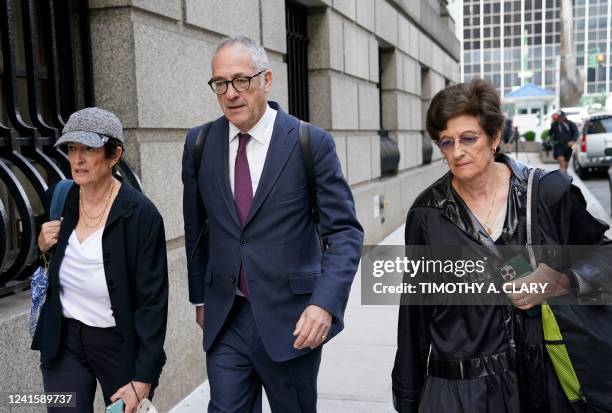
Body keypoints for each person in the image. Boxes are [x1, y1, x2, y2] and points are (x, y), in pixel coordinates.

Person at [391, 79, 611, 412]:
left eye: (468, 138)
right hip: (459, 393)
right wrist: (407, 399)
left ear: (494, 137)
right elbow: (414, 315)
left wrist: (563, 281)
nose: (457, 152)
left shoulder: (548, 194)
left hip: (541, 386)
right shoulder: (427, 214)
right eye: (446, 142)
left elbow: (605, 258)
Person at [181, 36, 363, 412]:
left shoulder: (309, 142)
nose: (230, 93)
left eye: (240, 80)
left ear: (266, 79)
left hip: (292, 320)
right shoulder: (199, 144)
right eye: (220, 83)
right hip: (227, 316)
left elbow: (344, 232)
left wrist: (324, 305)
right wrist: (200, 297)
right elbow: (197, 229)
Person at [32, 107, 169, 413]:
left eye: (88, 149)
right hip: (63, 342)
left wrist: (143, 378)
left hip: (118, 346)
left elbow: (153, 304)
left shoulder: (141, 216)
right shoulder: (61, 196)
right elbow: (48, 264)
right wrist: (42, 246)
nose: (77, 159)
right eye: (71, 148)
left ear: (114, 154)